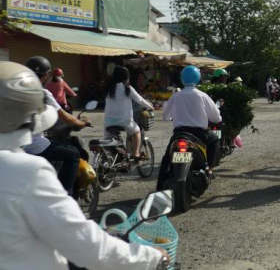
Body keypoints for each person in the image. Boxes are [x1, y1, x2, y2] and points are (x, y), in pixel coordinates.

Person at [0, 61, 169, 270]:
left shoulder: (106, 88)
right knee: (77, 153)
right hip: (124, 122)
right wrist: (151, 257)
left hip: (109, 123)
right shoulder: (29, 172)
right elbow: (88, 247)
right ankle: (133, 154)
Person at [23, 56, 88, 196]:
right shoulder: (43, 93)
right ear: (46, 74)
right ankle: (63, 195)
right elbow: (66, 117)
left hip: (15, 144)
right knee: (73, 154)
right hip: (36, 145)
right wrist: (81, 122)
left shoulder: (16, 90)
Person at [158, 66, 222, 185]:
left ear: (182, 79)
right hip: (200, 134)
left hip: (179, 133)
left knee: (166, 159)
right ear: (198, 79)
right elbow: (215, 117)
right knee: (214, 139)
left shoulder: (176, 96)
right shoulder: (202, 96)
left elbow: (165, 116)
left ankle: (160, 186)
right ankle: (210, 168)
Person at [104, 66, 154, 162]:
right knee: (136, 131)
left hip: (108, 121)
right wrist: (150, 106)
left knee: (108, 143)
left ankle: (114, 158)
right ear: (125, 77)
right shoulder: (127, 88)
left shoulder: (108, 88)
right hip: (124, 121)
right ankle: (136, 153)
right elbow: (140, 99)